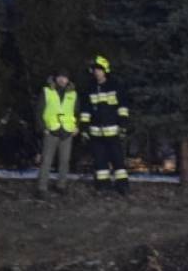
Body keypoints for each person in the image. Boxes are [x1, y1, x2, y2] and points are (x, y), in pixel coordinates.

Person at [79, 55, 129, 193]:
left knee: (118, 160)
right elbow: (85, 110)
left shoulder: (115, 86)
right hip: (95, 132)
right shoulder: (89, 88)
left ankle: (123, 186)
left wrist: (123, 125)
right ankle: (103, 186)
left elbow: (123, 107)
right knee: (100, 161)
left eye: (99, 69)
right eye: (94, 69)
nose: (96, 72)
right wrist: (84, 129)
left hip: (113, 131)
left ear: (105, 70)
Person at [36, 70, 79, 197]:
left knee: (64, 161)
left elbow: (77, 112)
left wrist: (77, 126)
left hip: (67, 131)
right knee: (46, 161)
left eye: (65, 77)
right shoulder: (47, 91)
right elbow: (39, 111)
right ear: (56, 78)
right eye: (60, 77)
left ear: (68, 80)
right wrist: (43, 127)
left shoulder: (73, 94)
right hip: (51, 130)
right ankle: (41, 188)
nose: (62, 80)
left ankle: (61, 185)